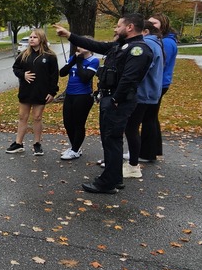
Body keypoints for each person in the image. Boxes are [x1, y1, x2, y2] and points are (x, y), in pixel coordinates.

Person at [53, 15, 154, 194]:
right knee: (109, 140)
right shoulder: (120, 45)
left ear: (130, 27)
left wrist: (115, 100)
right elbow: (95, 45)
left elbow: (129, 79)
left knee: (112, 139)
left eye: (118, 26)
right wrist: (69, 35)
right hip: (110, 99)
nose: (115, 29)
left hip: (117, 101)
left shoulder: (138, 49)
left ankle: (107, 183)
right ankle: (115, 178)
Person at [6, 28, 59, 157]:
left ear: (41, 39)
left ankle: (37, 144)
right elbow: (15, 68)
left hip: (41, 92)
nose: (31, 39)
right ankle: (18, 143)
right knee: (22, 117)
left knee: (37, 117)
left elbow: (54, 76)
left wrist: (52, 92)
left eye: (34, 37)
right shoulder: (24, 54)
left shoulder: (50, 56)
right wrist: (23, 75)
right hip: (26, 91)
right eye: (30, 37)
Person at [122, 25, 164, 179]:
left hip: (141, 94)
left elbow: (140, 70)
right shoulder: (156, 43)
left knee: (131, 128)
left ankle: (133, 165)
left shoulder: (148, 45)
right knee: (133, 128)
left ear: (145, 31)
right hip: (148, 94)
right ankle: (133, 160)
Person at [140, 13, 178, 162]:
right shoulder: (163, 41)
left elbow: (159, 64)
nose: (150, 26)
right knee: (151, 117)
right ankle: (153, 150)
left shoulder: (166, 43)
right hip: (159, 83)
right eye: (148, 23)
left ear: (163, 25)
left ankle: (147, 153)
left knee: (148, 117)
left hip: (158, 84)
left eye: (154, 23)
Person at [58, 45, 99, 160]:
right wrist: (72, 62)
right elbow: (62, 73)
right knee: (68, 122)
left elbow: (85, 77)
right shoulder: (73, 58)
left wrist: (80, 62)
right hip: (70, 94)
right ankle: (75, 147)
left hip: (83, 96)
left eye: (83, 45)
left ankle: (75, 150)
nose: (79, 47)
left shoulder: (93, 61)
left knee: (78, 123)